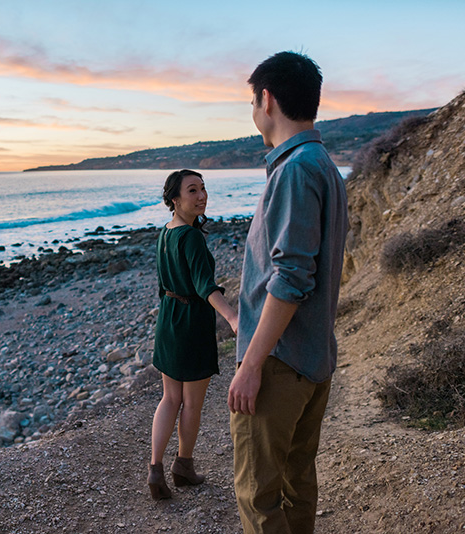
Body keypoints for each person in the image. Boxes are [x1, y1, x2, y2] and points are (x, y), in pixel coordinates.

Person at [227, 51, 349, 533]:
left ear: (267, 99)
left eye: (251, 100)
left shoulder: (297, 169)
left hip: (281, 361)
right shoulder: (322, 164)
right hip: (313, 356)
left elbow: (291, 279)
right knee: (298, 482)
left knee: (258, 494)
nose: (252, 110)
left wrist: (252, 364)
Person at [148, 169, 238, 500]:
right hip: (192, 325)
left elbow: (162, 284)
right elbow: (205, 286)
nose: (201, 196)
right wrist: (231, 316)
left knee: (169, 398)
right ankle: (183, 466)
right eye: (192, 190)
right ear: (175, 199)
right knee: (191, 404)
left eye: (203, 188)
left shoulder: (165, 233)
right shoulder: (191, 237)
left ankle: (155, 469)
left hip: (169, 320)